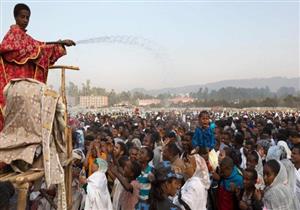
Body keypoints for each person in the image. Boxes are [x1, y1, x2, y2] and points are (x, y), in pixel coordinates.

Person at [0, 3, 75, 130]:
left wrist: (59, 44)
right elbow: (15, 49)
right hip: (14, 81)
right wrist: (41, 48)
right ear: (16, 17)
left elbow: (38, 46)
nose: (25, 20)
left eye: (27, 18)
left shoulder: (26, 38)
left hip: (24, 83)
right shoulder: (13, 34)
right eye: (22, 17)